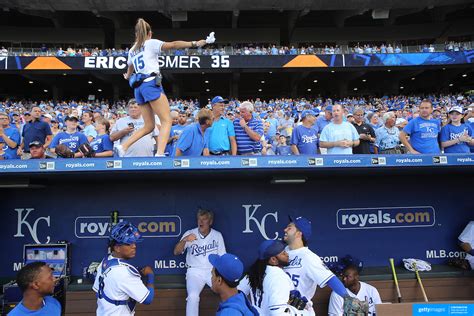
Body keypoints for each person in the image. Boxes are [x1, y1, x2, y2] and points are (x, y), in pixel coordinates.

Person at [117, 18, 215, 157]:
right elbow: (174, 44)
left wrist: (127, 75)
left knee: (149, 126)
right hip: (150, 83)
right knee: (167, 120)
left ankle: (124, 146)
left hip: (138, 88)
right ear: (149, 33)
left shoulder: (132, 49)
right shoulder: (150, 43)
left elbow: (130, 66)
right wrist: (195, 43)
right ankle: (160, 153)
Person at [283, 216, 349, 315]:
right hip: (280, 308)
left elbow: (329, 278)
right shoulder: (280, 253)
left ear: (298, 234)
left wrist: (347, 298)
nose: (285, 230)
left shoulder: (308, 257)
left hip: (298, 309)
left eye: (289, 227)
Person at [93, 221, 155, 315]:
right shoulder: (124, 272)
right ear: (117, 248)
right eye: (129, 243)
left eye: (133, 242)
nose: (134, 246)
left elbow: (98, 290)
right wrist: (150, 276)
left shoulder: (105, 261)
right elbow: (148, 299)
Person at [173, 208, 226, 316]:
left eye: (204, 219)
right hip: (195, 272)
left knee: (225, 292)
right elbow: (176, 252)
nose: (201, 222)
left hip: (212, 272)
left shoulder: (217, 235)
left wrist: (218, 275)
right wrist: (185, 240)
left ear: (210, 222)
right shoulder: (190, 233)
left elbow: (222, 258)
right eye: (199, 219)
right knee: (192, 296)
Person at [244, 240, 295, 315]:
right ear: (273, 260)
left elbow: (238, 292)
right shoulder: (278, 276)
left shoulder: (254, 271)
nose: (287, 254)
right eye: (283, 253)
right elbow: (277, 313)